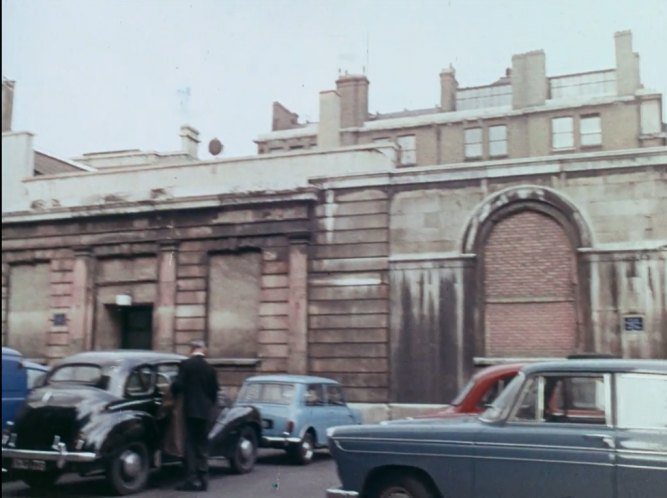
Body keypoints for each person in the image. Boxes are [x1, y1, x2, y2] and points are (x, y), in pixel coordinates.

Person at [171, 339, 219, 492]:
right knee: (202, 445)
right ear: (203, 349)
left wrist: (173, 395)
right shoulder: (210, 369)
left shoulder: (186, 365)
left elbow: (178, 385)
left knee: (190, 445)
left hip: (190, 410)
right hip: (205, 411)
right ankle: (204, 479)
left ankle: (191, 480)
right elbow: (214, 391)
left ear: (192, 349)